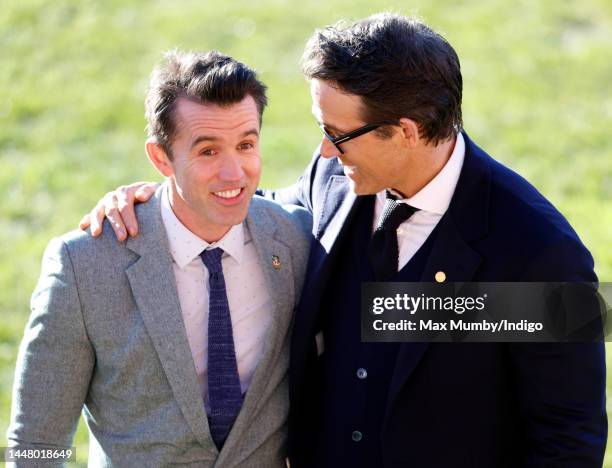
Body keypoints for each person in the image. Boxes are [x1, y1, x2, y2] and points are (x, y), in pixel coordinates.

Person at [79, 13, 607, 467]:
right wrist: (160, 201)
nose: (326, 152)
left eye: (338, 134)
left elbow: (568, 439)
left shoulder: (542, 250)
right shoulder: (337, 177)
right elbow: (264, 214)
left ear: (405, 131)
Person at [7, 50, 311, 467]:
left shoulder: (296, 239)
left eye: (246, 144)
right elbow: (35, 441)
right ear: (160, 157)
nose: (234, 173)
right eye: (208, 152)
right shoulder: (83, 267)